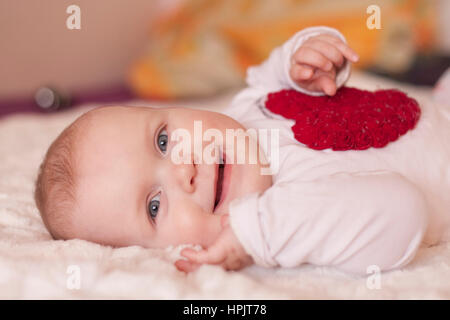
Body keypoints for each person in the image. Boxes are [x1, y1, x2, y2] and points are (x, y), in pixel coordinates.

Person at [34, 27, 450, 276]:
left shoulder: (247, 106)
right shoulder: (293, 214)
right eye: (154, 206)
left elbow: (272, 74)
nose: (184, 170)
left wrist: (303, 58)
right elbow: (402, 209)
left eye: (163, 140)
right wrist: (260, 232)